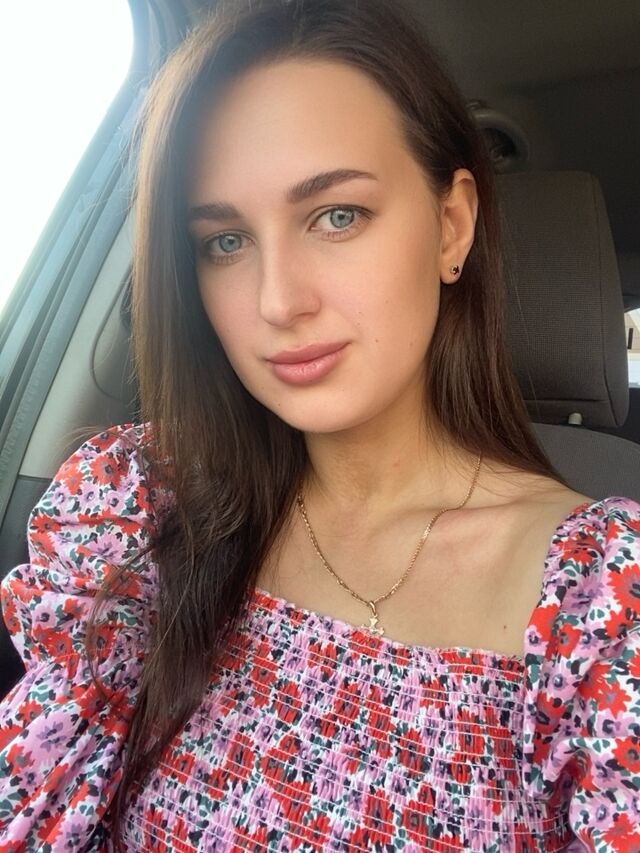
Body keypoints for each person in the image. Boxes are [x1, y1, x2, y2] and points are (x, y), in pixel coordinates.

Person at [1, 0, 639, 849]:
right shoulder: (137, 514)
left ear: (452, 226)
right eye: (225, 241)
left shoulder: (600, 605)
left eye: (337, 215)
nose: (278, 301)